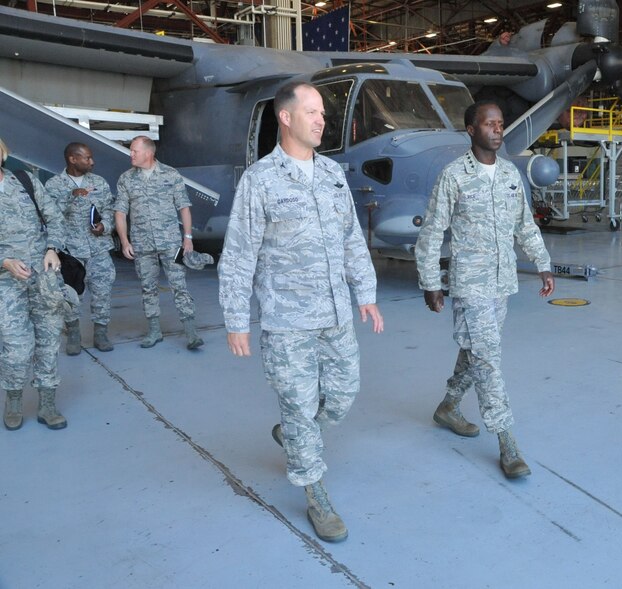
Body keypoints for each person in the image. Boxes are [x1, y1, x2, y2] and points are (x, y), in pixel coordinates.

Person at [218, 81, 383, 543]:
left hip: (335, 314)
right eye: (311, 111)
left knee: (343, 394)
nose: (320, 119)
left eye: (323, 114)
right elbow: (239, 255)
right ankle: (315, 493)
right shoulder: (260, 180)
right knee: (299, 406)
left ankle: (293, 433)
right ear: (286, 118)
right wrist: (236, 320)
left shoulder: (332, 174)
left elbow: (352, 237)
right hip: (286, 320)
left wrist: (365, 292)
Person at [414, 101, 555, 480]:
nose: (497, 129)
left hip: (502, 282)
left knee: (475, 350)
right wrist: (430, 281)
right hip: (470, 285)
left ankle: (448, 406)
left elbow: (525, 224)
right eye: (489, 124)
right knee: (488, 359)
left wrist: (542, 262)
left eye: (500, 123)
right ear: (471, 130)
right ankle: (507, 442)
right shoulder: (454, 176)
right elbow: (431, 232)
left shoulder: (510, 174)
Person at [0, 137, 69, 431]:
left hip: (44, 277)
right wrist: (4, 261)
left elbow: (55, 218)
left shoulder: (25, 180)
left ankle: (47, 403)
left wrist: (53, 247)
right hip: (6, 283)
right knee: (16, 347)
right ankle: (14, 400)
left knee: (49, 341)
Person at [113, 135, 203, 350]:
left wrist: (187, 238)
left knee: (179, 285)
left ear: (148, 153)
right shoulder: (126, 179)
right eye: (131, 150)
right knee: (148, 288)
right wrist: (124, 242)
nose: (131, 155)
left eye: (135, 151)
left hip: (171, 243)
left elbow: (184, 207)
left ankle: (191, 332)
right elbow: (120, 212)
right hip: (142, 245)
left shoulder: (171, 175)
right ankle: (154, 331)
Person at [44, 143, 116, 355]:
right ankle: (73, 332)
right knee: (71, 294)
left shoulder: (99, 182)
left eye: (91, 158)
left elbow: (110, 211)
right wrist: (71, 196)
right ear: (73, 159)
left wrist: (105, 226)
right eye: (87, 158)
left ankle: (101, 332)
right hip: (71, 252)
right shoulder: (54, 185)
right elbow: (50, 217)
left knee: (103, 291)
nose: (92, 162)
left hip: (99, 249)